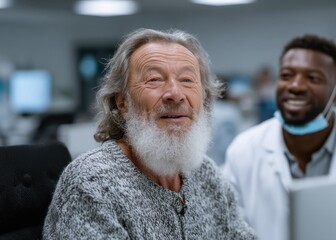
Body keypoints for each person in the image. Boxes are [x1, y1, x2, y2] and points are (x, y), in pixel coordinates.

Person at [43, 28, 255, 239]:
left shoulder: (207, 174)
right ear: (123, 102)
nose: (175, 93)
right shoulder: (93, 184)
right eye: (154, 79)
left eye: (187, 80)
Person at [222, 34, 336, 240]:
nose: (295, 86)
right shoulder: (243, 150)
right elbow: (229, 230)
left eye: (313, 78)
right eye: (286, 75)